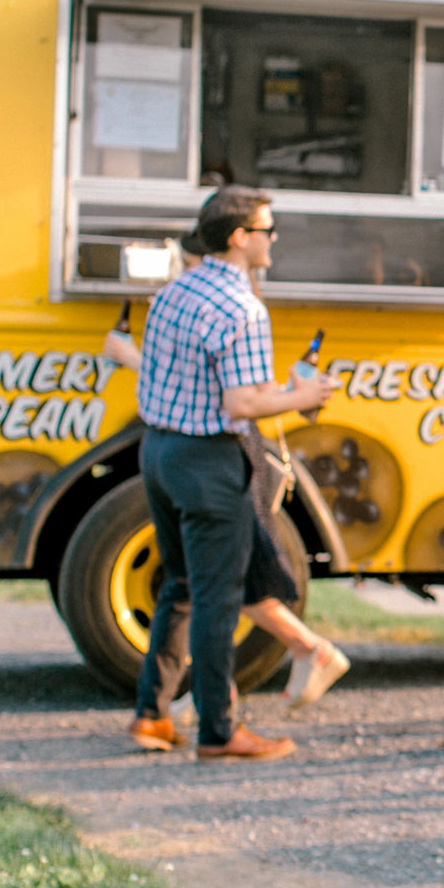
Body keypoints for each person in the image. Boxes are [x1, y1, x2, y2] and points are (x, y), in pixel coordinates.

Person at [127, 187, 336, 762]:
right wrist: (303, 395)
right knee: (219, 600)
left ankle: (152, 714)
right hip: (209, 460)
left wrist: (282, 392)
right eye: (267, 229)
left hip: (161, 452)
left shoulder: (175, 293)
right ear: (241, 238)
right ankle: (219, 730)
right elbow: (241, 403)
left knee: (179, 588)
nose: (273, 240)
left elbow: (200, 381)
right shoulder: (242, 309)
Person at [108, 306, 349, 746]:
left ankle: (185, 706)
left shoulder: (209, 300)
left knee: (209, 584)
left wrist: (129, 357)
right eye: (265, 233)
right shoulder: (226, 300)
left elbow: (231, 396)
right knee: (216, 585)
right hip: (217, 455)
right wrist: (301, 396)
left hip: (217, 449)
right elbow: (219, 393)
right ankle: (218, 709)